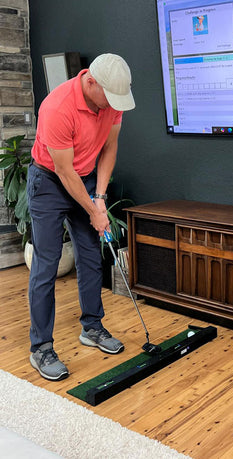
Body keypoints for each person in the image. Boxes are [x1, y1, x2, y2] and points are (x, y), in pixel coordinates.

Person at [27, 53, 135, 381]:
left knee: (90, 256)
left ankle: (92, 327)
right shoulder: (57, 107)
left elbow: (110, 148)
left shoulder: (112, 100)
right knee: (46, 265)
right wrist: (93, 212)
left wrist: (99, 198)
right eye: (109, 98)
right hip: (49, 181)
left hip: (85, 178)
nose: (113, 105)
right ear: (90, 82)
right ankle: (41, 347)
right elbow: (64, 171)